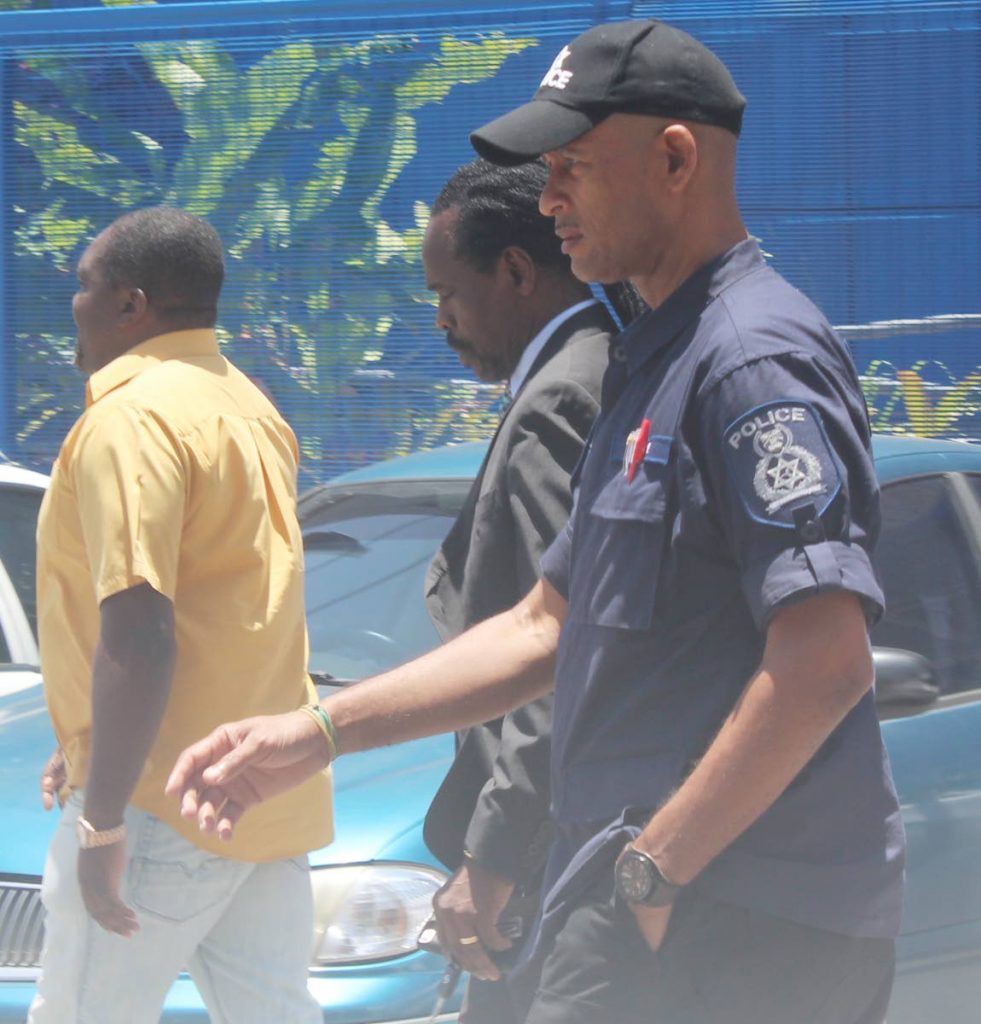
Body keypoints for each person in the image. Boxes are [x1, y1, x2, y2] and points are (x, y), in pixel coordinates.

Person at [168, 19, 905, 1024]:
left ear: (676, 158)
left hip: (737, 923)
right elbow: (542, 625)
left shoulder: (751, 359)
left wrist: (654, 870)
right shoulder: (654, 358)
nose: (548, 199)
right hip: (651, 907)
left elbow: (825, 660)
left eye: (572, 167)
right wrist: (317, 730)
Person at [30, 206, 331, 1024]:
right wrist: (90, 743)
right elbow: (229, 612)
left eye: (86, 285)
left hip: (163, 801)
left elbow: (143, 632)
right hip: (260, 792)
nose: (75, 305)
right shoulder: (249, 407)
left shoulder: (131, 419)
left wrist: (102, 822)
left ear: (132, 305)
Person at [420, 158, 614, 1021]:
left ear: (515, 272)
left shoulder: (560, 397)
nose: (442, 323)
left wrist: (492, 859)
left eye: (448, 295)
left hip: (547, 855)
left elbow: (557, 645)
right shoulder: (605, 360)